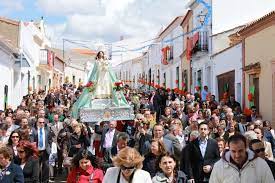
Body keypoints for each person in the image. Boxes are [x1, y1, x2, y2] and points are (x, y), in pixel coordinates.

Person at [209, 134, 274, 183]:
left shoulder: (261, 164)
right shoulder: (219, 166)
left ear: (246, 148)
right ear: (229, 149)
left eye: (240, 151)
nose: (237, 155)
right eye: (233, 151)